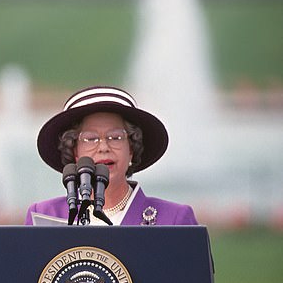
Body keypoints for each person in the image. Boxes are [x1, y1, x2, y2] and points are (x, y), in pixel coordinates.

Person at [25, 85, 197, 226]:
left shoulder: (174, 220)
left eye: (115, 137)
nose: (103, 147)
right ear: (74, 151)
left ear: (131, 148)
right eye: (90, 138)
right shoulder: (44, 216)